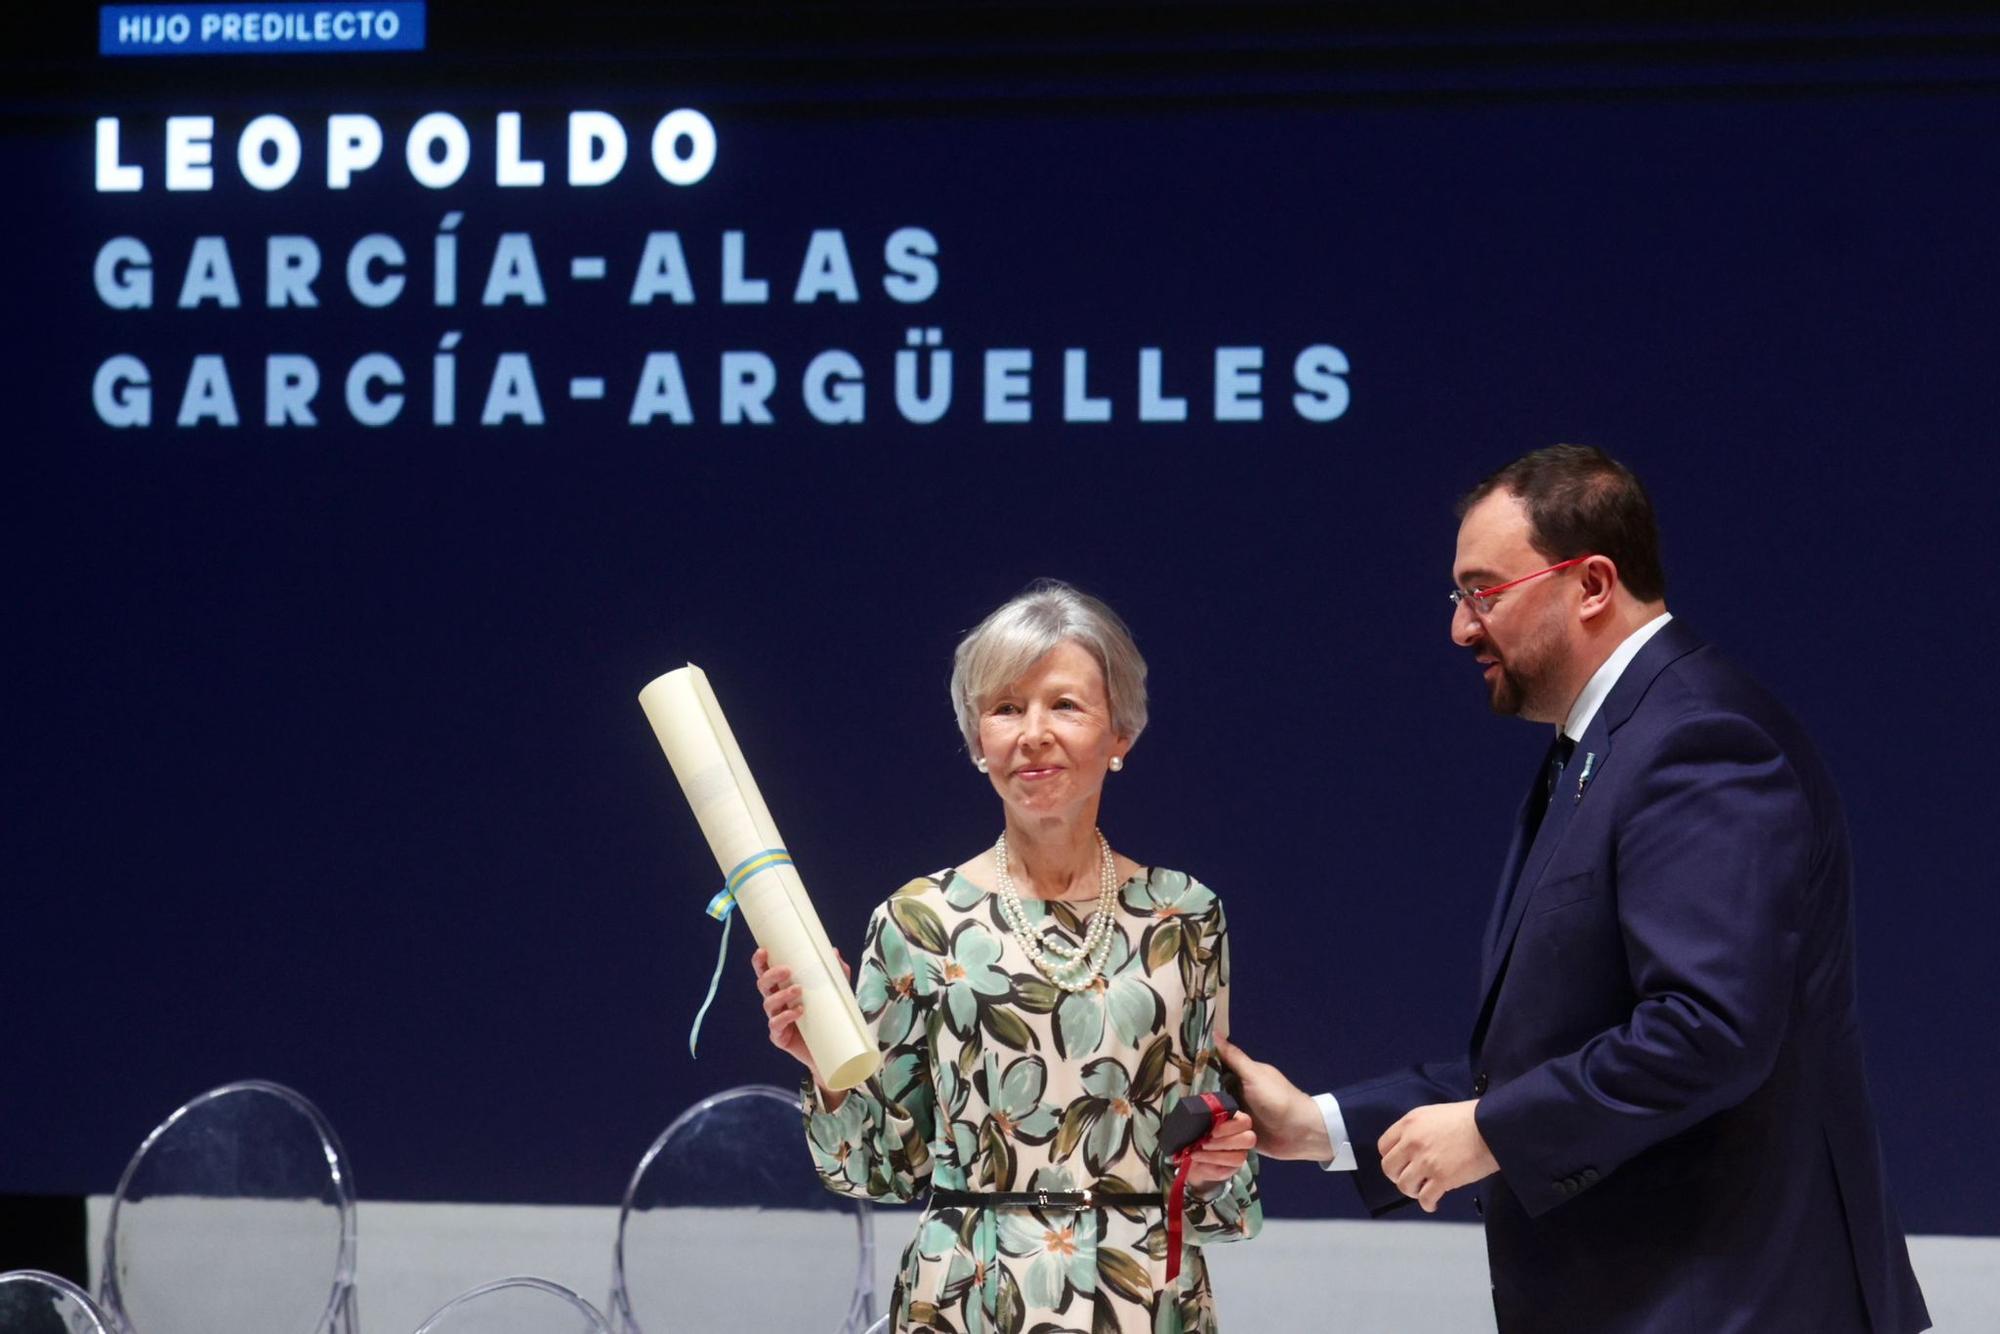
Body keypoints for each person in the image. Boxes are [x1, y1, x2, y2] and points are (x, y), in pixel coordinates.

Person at [1221, 446, 1929, 1333]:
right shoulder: (1610, 746)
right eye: (1458, 597)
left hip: (1732, 1306)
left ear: (1592, 583)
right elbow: (1559, 1046)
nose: (1461, 628)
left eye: (1484, 591)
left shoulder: (1699, 742)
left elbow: (1706, 1031)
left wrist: (1490, 1133)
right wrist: (1323, 1127)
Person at [755, 579, 1261, 1334]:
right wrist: (824, 1065)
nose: (1032, 733)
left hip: (1140, 1295)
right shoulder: (917, 920)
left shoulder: (1184, 917)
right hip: (967, 1293)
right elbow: (884, 1168)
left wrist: (1227, 1155)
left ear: (1120, 733)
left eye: (1064, 704)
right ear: (976, 740)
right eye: (1005, 707)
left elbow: (1217, 1169)